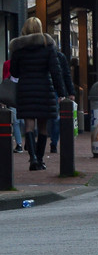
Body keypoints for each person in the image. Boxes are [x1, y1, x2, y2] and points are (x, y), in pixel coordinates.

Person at [9, 17, 66, 171]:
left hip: (26, 88)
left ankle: (32, 158)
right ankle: (40, 159)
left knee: (29, 124)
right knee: (43, 126)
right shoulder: (48, 46)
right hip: (44, 88)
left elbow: (14, 71)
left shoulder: (18, 48)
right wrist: (61, 92)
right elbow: (55, 71)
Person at [48, 49, 76, 153]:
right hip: (51, 90)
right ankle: (52, 142)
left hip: (54, 90)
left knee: (55, 117)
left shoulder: (60, 57)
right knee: (54, 118)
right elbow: (66, 75)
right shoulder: (59, 56)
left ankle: (54, 143)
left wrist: (70, 92)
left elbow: (66, 75)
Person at [3, 59, 24, 153]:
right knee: (15, 120)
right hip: (13, 93)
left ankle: (28, 140)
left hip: (23, 92)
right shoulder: (7, 63)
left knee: (24, 120)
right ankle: (19, 144)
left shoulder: (25, 62)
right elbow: (5, 78)